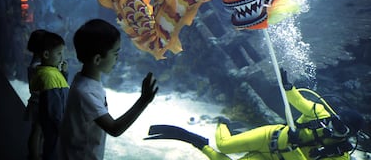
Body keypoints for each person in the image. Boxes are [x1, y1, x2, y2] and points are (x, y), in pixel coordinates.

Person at [145, 68, 366, 160]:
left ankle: (197, 141)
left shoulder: (340, 156)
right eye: (335, 122)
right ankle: (225, 123)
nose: (332, 128)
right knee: (224, 146)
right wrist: (288, 87)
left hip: (274, 158)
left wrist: (298, 150)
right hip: (268, 136)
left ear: (348, 135)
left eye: (340, 130)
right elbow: (298, 101)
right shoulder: (320, 113)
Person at [59, 18, 158, 160]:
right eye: (115, 54)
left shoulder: (83, 79)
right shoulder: (86, 92)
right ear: (98, 59)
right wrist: (143, 100)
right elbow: (114, 128)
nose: (117, 59)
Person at [30, 32, 69, 160]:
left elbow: (60, 87)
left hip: (56, 123)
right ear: (46, 55)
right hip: (56, 123)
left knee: (50, 145)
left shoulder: (52, 71)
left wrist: (64, 73)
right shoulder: (48, 76)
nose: (61, 57)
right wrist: (61, 124)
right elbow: (54, 106)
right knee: (53, 149)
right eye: (59, 53)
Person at [24, 29, 47, 160]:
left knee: (38, 130)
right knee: (37, 131)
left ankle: (36, 153)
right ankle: (34, 156)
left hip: (37, 101)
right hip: (39, 102)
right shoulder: (38, 66)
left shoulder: (35, 63)